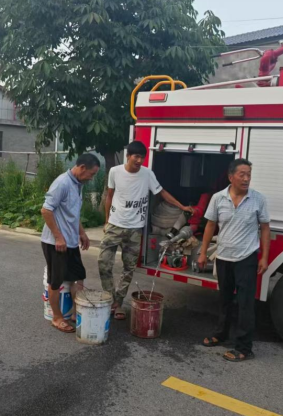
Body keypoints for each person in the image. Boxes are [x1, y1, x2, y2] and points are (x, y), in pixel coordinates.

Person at [98, 141, 193, 320]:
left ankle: (118, 303)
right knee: (103, 263)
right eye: (136, 157)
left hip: (135, 229)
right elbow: (109, 196)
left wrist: (181, 206)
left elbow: (162, 192)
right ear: (128, 156)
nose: (139, 160)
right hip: (115, 225)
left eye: (142, 157)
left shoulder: (147, 174)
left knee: (129, 268)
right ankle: (110, 298)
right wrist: (106, 220)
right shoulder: (115, 172)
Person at [198, 158, 270, 362]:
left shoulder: (258, 199)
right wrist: (203, 253)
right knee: (225, 300)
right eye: (242, 174)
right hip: (223, 257)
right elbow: (210, 225)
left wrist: (264, 257)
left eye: (249, 175)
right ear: (231, 177)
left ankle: (244, 347)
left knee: (246, 304)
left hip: (246, 258)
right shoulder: (218, 198)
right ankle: (221, 334)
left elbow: (265, 229)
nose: (246, 179)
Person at [41, 154, 100, 333]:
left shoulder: (78, 184)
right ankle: (57, 318)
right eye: (91, 174)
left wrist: (82, 233)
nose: (92, 178)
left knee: (78, 276)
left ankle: (76, 312)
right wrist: (59, 237)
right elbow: (46, 210)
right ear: (82, 167)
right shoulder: (62, 183)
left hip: (71, 242)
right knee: (56, 280)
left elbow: (73, 213)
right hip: (56, 243)